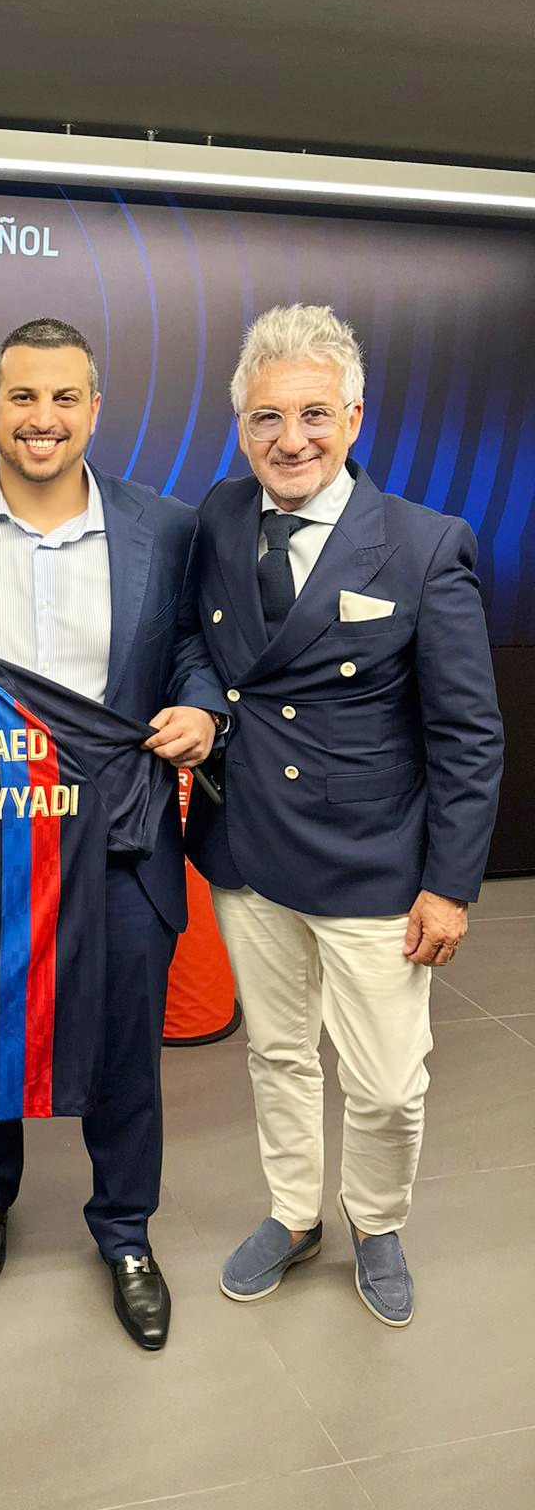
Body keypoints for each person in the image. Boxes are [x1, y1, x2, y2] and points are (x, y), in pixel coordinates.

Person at [0, 317, 226, 1349]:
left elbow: (193, 649)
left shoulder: (167, 527)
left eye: (64, 397)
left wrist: (202, 707)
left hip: (122, 835)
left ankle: (125, 1230)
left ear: (94, 409)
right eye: (23, 397)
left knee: (126, 1051)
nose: (44, 418)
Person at [186, 303, 504, 1328]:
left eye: (314, 414)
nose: (291, 440)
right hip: (247, 849)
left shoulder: (424, 545)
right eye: (267, 418)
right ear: (242, 426)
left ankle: (375, 1221)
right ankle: (294, 1214)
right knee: (277, 1052)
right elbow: (194, 639)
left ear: (354, 419)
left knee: (387, 1083)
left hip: (374, 860)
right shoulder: (220, 516)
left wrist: (449, 885)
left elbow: (468, 733)